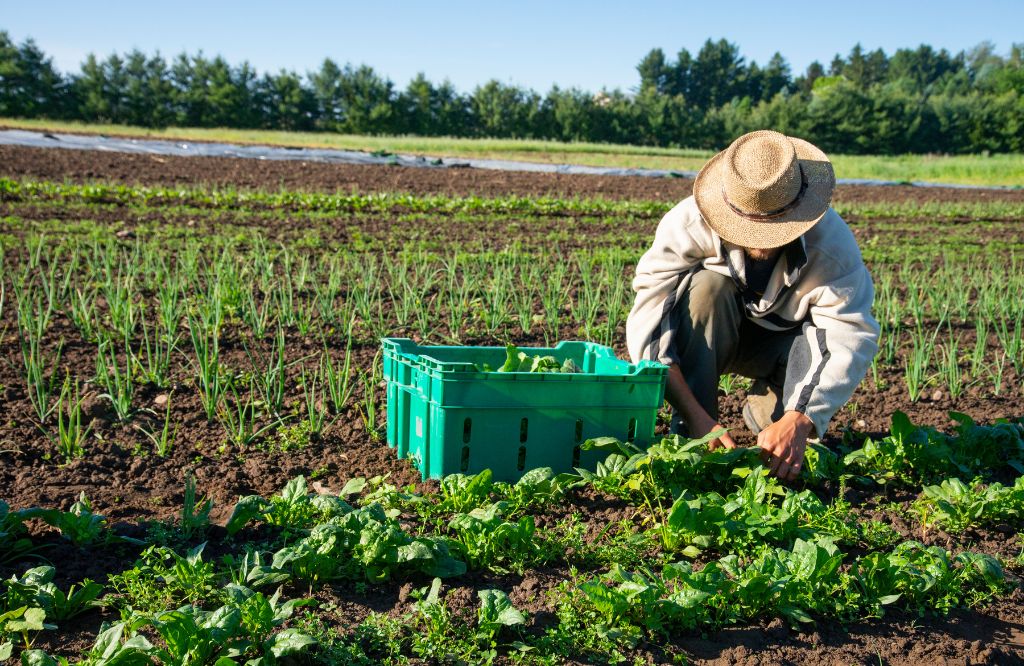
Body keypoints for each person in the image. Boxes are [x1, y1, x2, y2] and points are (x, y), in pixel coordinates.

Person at [625, 130, 879, 481]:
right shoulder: (688, 223)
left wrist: (800, 419)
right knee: (706, 288)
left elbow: (848, 335)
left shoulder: (831, 246)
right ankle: (692, 430)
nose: (761, 241)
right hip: (713, 334)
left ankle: (770, 409)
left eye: (775, 226)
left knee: (783, 443)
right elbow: (650, 325)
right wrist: (699, 418)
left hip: (781, 348)